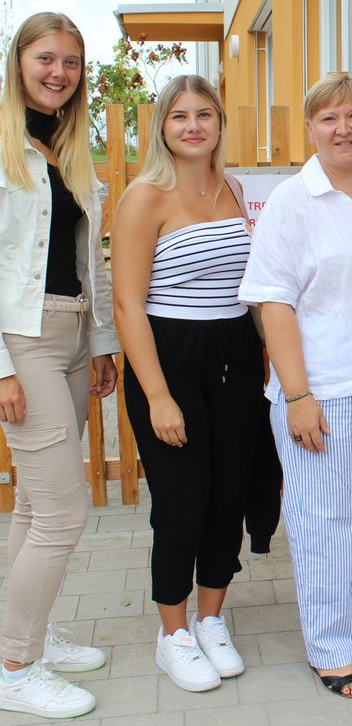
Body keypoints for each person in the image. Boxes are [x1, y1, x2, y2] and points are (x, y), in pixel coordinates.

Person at [239, 72, 352, 700]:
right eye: (328, 119)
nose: (343, 128)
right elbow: (273, 303)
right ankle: (330, 646)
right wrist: (297, 396)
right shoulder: (294, 201)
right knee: (324, 521)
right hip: (324, 391)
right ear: (311, 129)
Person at [112, 75, 266, 693]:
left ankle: (209, 619)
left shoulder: (234, 189)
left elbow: (254, 288)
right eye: (180, 116)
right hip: (169, 358)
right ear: (163, 127)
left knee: (228, 497)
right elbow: (127, 306)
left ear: (220, 123)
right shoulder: (145, 197)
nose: (194, 125)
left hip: (234, 355)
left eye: (205, 114)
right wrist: (157, 395)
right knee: (182, 504)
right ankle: (172, 633)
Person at [0, 12, 118, 719]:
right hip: (22, 340)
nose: (59, 73)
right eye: (47, 58)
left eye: (71, 62)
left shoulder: (71, 150)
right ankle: (14, 668)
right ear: (18, 62)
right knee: (64, 514)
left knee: (36, 507)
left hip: (71, 335)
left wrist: (101, 345)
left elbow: (86, 263)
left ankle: (29, 637)